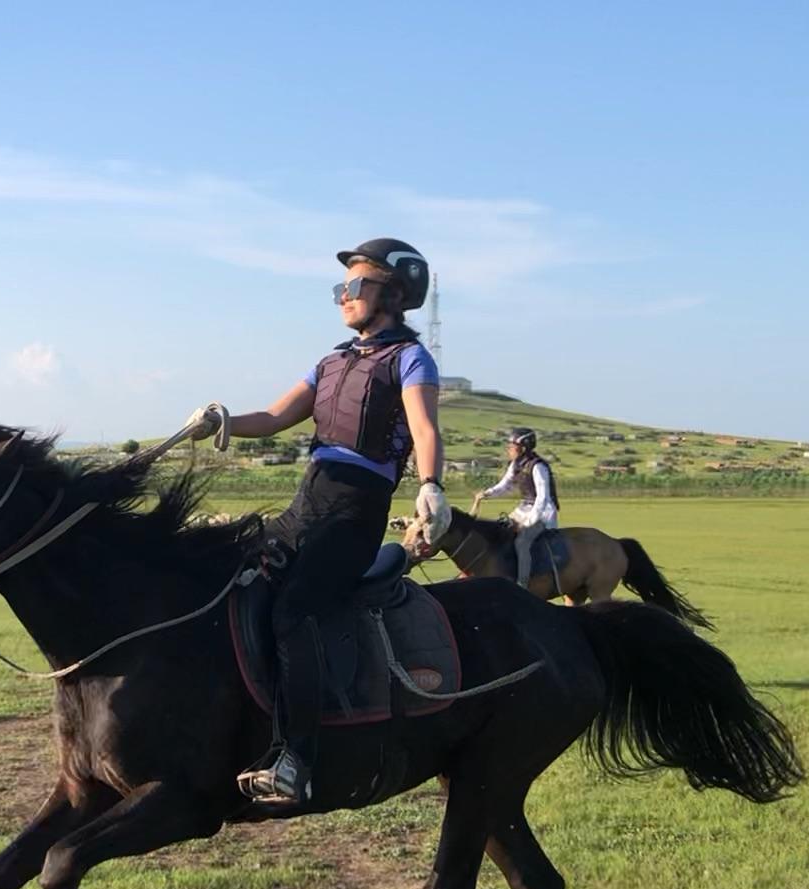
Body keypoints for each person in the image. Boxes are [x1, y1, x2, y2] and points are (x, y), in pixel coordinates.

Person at [184, 238, 449, 807]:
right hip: (305, 506)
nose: (342, 297)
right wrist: (224, 418)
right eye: (340, 289)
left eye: (353, 286)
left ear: (394, 293)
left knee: (294, 609)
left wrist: (431, 486)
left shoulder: (409, 359)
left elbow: (425, 429)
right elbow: (278, 416)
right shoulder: (330, 362)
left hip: (353, 518)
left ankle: (296, 759)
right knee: (232, 578)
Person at [472, 427, 556, 588]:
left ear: (524, 447)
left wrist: (530, 521)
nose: (509, 449)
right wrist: (487, 494)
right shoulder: (515, 465)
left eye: (512, 445)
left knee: (522, 542)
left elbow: (543, 497)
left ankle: (522, 584)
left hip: (543, 513)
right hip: (524, 508)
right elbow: (505, 486)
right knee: (499, 532)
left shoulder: (538, 467)